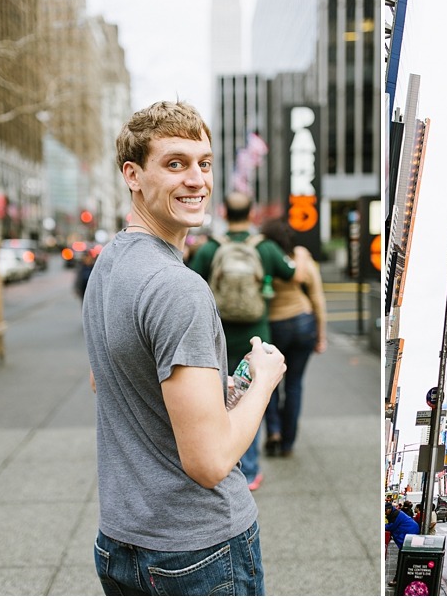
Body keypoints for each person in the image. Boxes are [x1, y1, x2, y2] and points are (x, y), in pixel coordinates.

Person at [83, 100, 288, 595]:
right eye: (175, 164)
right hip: (197, 550)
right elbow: (210, 460)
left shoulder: (107, 264)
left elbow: (107, 380)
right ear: (133, 175)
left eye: (204, 163)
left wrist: (220, 396)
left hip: (121, 542)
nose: (197, 179)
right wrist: (262, 379)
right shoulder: (179, 287)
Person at [188, 192, 310, 490]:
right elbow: (295, 274)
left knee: (217, 400)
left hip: (218, 339)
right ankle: (251, 470)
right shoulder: (265, 248)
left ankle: (221, 464)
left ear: (224, 212)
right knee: (250, 400)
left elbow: (190, 284)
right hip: (257, 340)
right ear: (252, 213)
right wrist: (302, 257)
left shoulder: (210, 248)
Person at [258, 218, 327, 458]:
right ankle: (288, 443)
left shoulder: (265, 256)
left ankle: (274, 431)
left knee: (270, 385)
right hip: (303, 323)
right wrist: (321, 335)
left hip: (274, 327)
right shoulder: (302, 258)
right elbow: (317, 298)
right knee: (295, 385)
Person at [385, 502, 419, 587]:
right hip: (409, 535)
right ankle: (401, 579)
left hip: (409, 536)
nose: (385, 512)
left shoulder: (396, 514)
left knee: (403, 558)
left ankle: (398, 580)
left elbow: (391, 526)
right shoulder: (395, 513)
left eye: (385, 510)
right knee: (404, 558)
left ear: (389, 509)